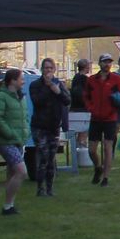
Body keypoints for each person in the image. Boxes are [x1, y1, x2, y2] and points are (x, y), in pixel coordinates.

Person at [83, 54, 120, 185]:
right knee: (91, 150)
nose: (107, 64)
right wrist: (90, 107)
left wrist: (116, 109)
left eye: (109, 62)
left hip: (110, 118)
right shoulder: (91, 80)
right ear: (100, 63)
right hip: (96, 118)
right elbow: (86, 96)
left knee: (108, 148)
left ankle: (106, 178)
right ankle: (98, 167)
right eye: (105, 62)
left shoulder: (116, 79)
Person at [28, 57, 69, 198]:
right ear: (42, 70)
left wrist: (57, 90)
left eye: (51, 68)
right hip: (40, 126)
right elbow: (37, 102)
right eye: (46, 68)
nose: (48, 71)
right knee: (43, 156)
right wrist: (48, 88)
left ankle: (50, 189)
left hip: (54, 126)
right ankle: (40, 188)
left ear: (54, 70)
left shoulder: (59, 84)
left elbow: (67, 100)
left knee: (51, 158)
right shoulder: (35, 85)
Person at [0, 68, 29, 216]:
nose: (23, 81)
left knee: (12, 173)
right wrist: (9, 133)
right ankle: (8, 205)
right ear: (12, 80)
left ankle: (8, 206)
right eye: (21, 78)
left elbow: (24, 118)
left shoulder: (21, 97)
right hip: (6, 141)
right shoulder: (0, 97)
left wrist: (26, 133)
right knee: (21, 171)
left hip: (18, 140)